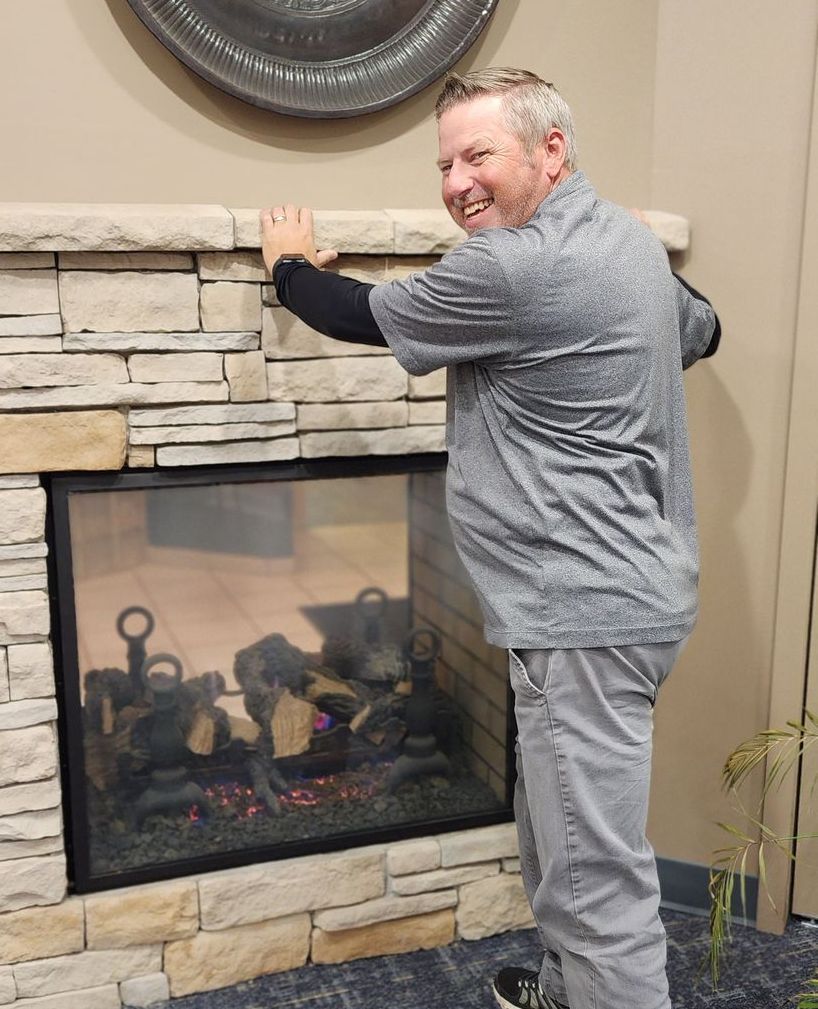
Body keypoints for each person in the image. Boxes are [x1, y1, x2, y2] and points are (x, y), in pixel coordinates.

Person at [260, 67, 720, 1009]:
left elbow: (353, 314)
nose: (457, 181)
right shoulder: (629, 247)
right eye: (444, 163)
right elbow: (704, 330)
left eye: (479, 155)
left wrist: (288, 266)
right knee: (560, 842)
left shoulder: (508, 268)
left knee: (600, 887)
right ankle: (562, 991)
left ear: (551, 152)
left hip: (581, 617)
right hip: (626, 602)